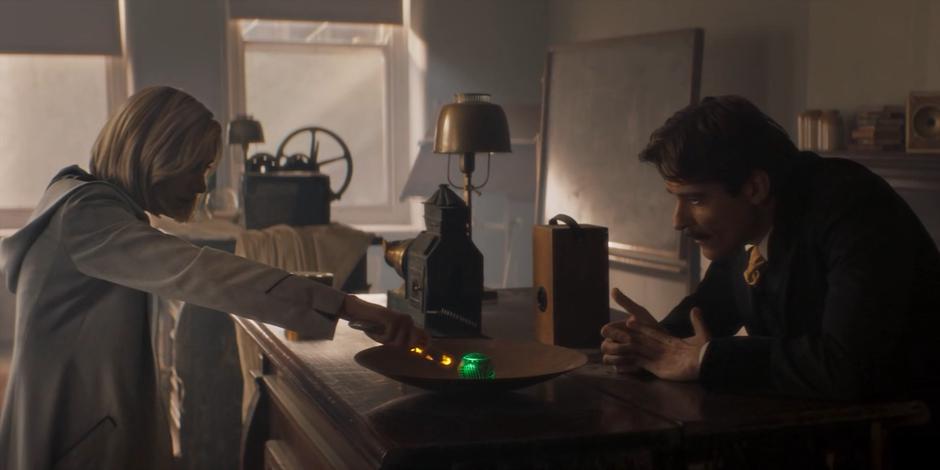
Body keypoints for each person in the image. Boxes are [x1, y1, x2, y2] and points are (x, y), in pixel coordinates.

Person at [0, 86, 427, 470]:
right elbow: (202, 272)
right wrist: (347, 305)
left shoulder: (88, 205)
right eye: (196, 168)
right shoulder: (86, 215)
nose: (203, 186)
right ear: (157, 155)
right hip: (74, 441)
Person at [600, 96, 940, 460]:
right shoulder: (750, 223)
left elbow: (847, 366)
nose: (678, 220)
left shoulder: (853, 209)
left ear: (755, 188)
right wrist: (650, 343)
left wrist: (705, 360)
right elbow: (709, 309)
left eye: (696, 200)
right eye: (676, 199)